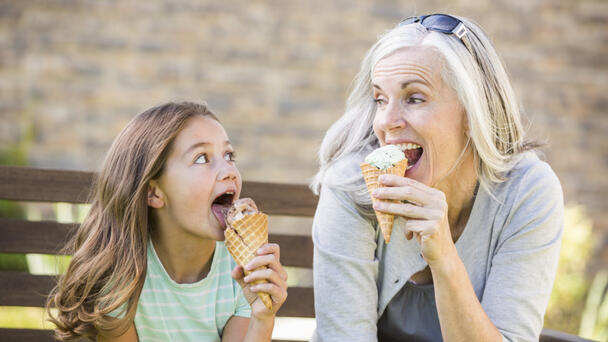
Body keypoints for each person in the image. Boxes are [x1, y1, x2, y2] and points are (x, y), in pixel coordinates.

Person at [310, 14, 563, 342]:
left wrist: (444, 256)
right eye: (379, 99)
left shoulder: (527, 192)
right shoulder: (353, 185)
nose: (386, 122)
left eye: (415, 98)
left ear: (474, 113)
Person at [46, 102, 288, 341]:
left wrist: (263, 318)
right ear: (153, 193)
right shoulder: (120, 280)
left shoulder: (241, 272)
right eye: (202, 158)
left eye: (228, 155)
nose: (229, 170)